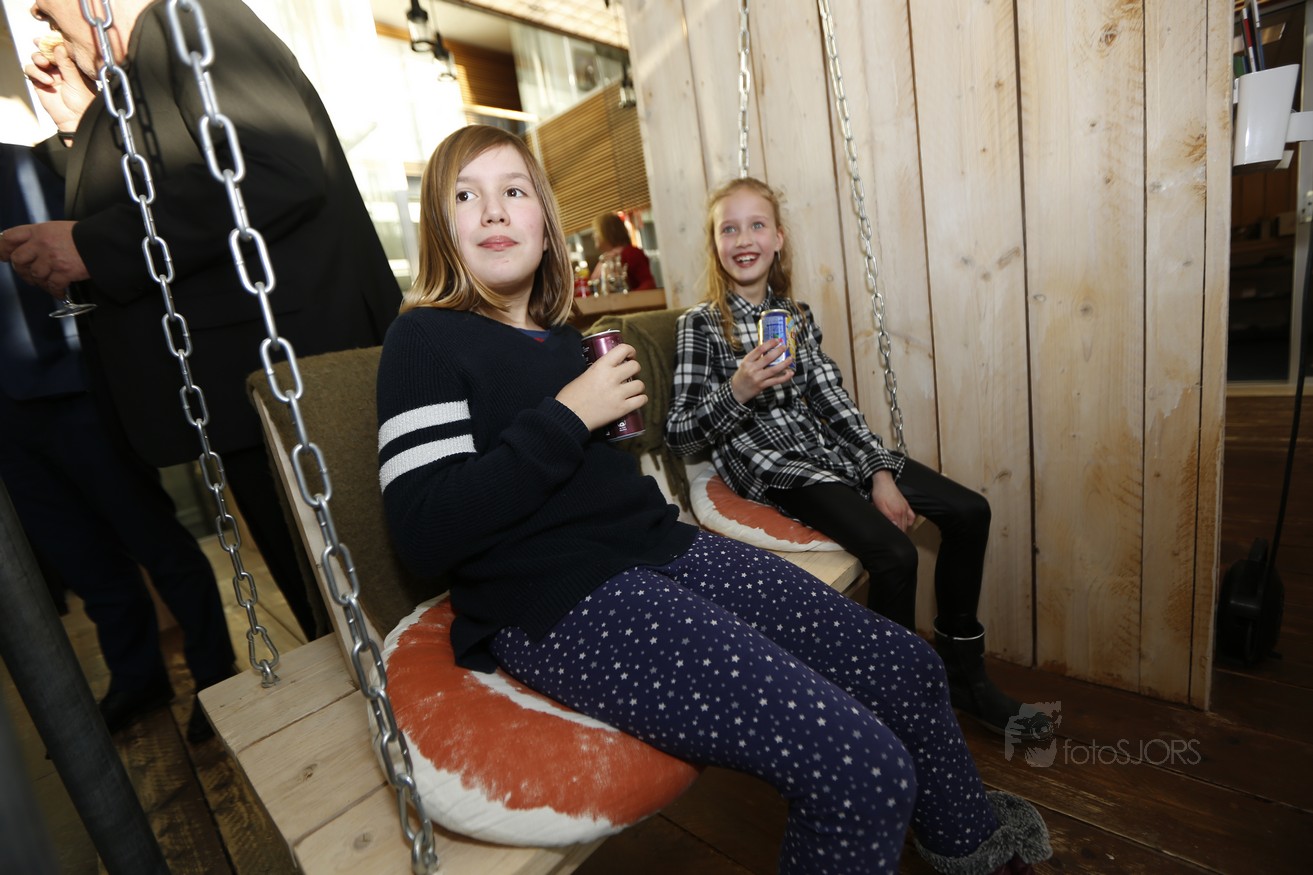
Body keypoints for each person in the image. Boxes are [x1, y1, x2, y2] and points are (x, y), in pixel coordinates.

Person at [375, 124, 1051, 875]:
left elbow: (592, 485)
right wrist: (570, 414)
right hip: (558, 596)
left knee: (909, 667)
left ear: (544, 219)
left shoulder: (565, 341)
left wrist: (597, 423)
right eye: (465, 196)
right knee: (862, 773)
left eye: (513, 191)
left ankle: (974, 849)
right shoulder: (424, 341)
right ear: (439, 225)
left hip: (664, 549)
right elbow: (425, 530)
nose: (494, 210)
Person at [0, 0, 401, 639]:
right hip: (258, 394)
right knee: (336, 626)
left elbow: (273, 170)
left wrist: (93, 247)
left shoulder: (189, 20)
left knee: (379, 620)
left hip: (303, 387)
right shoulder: (144, 69)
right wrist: (83, 122)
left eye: (48, 14)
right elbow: (174, 183)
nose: (46, 28)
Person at [665, 176, 1052, 743]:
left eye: (756, 225)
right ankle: (891, 706)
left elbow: (834, 403)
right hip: (773, 465)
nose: (743, 239)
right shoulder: (700, 324)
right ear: (715, 243)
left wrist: (879, 472)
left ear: (778, 238)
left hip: (828, 452)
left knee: (971, 511)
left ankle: (963, 677)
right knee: (896, 555)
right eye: (729, 229)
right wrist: (739, 389)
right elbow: (679, 435)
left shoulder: (795, 316)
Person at [1, 141, 236, 744]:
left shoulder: (33, 167)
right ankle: (137, 678)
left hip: (81, 390)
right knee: (80, 559)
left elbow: (98, 257)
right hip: (8, 416)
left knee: (154, 539)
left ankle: (216, 674)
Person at [590, 211, 656, 290]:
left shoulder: (631, 253)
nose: (593, 236)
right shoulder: (603, 260)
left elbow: (648, 284)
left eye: (596, 231)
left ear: (608, 231)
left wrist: (628, 297)